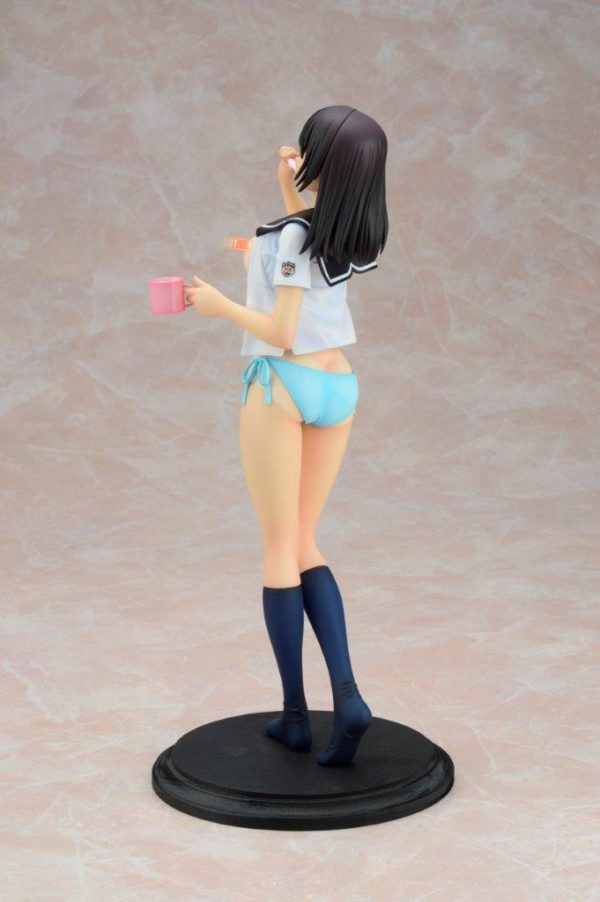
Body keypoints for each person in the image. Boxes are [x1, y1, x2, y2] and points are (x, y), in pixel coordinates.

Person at [185, 105, 388, 766]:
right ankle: (348, 697)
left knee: (279, 546)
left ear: (321, 161)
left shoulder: (296, 234)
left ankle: (297, 716)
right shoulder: (355, 228)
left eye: (307, 151)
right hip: (338, 387)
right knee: (304, 540)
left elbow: (281, 330)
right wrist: (285, 197)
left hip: (284, 383)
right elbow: (305, 243)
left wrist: (220, 305)